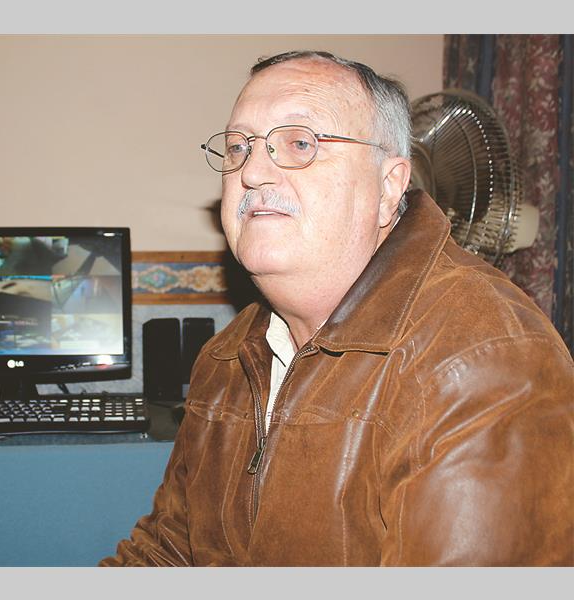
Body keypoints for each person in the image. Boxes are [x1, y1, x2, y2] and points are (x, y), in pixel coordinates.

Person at [100, 50, 574, 566]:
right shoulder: (226, 356)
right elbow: (168, 552)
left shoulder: (482, 358)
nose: (252, 171)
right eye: (238, 147)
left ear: (389, 186)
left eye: (300, 143)